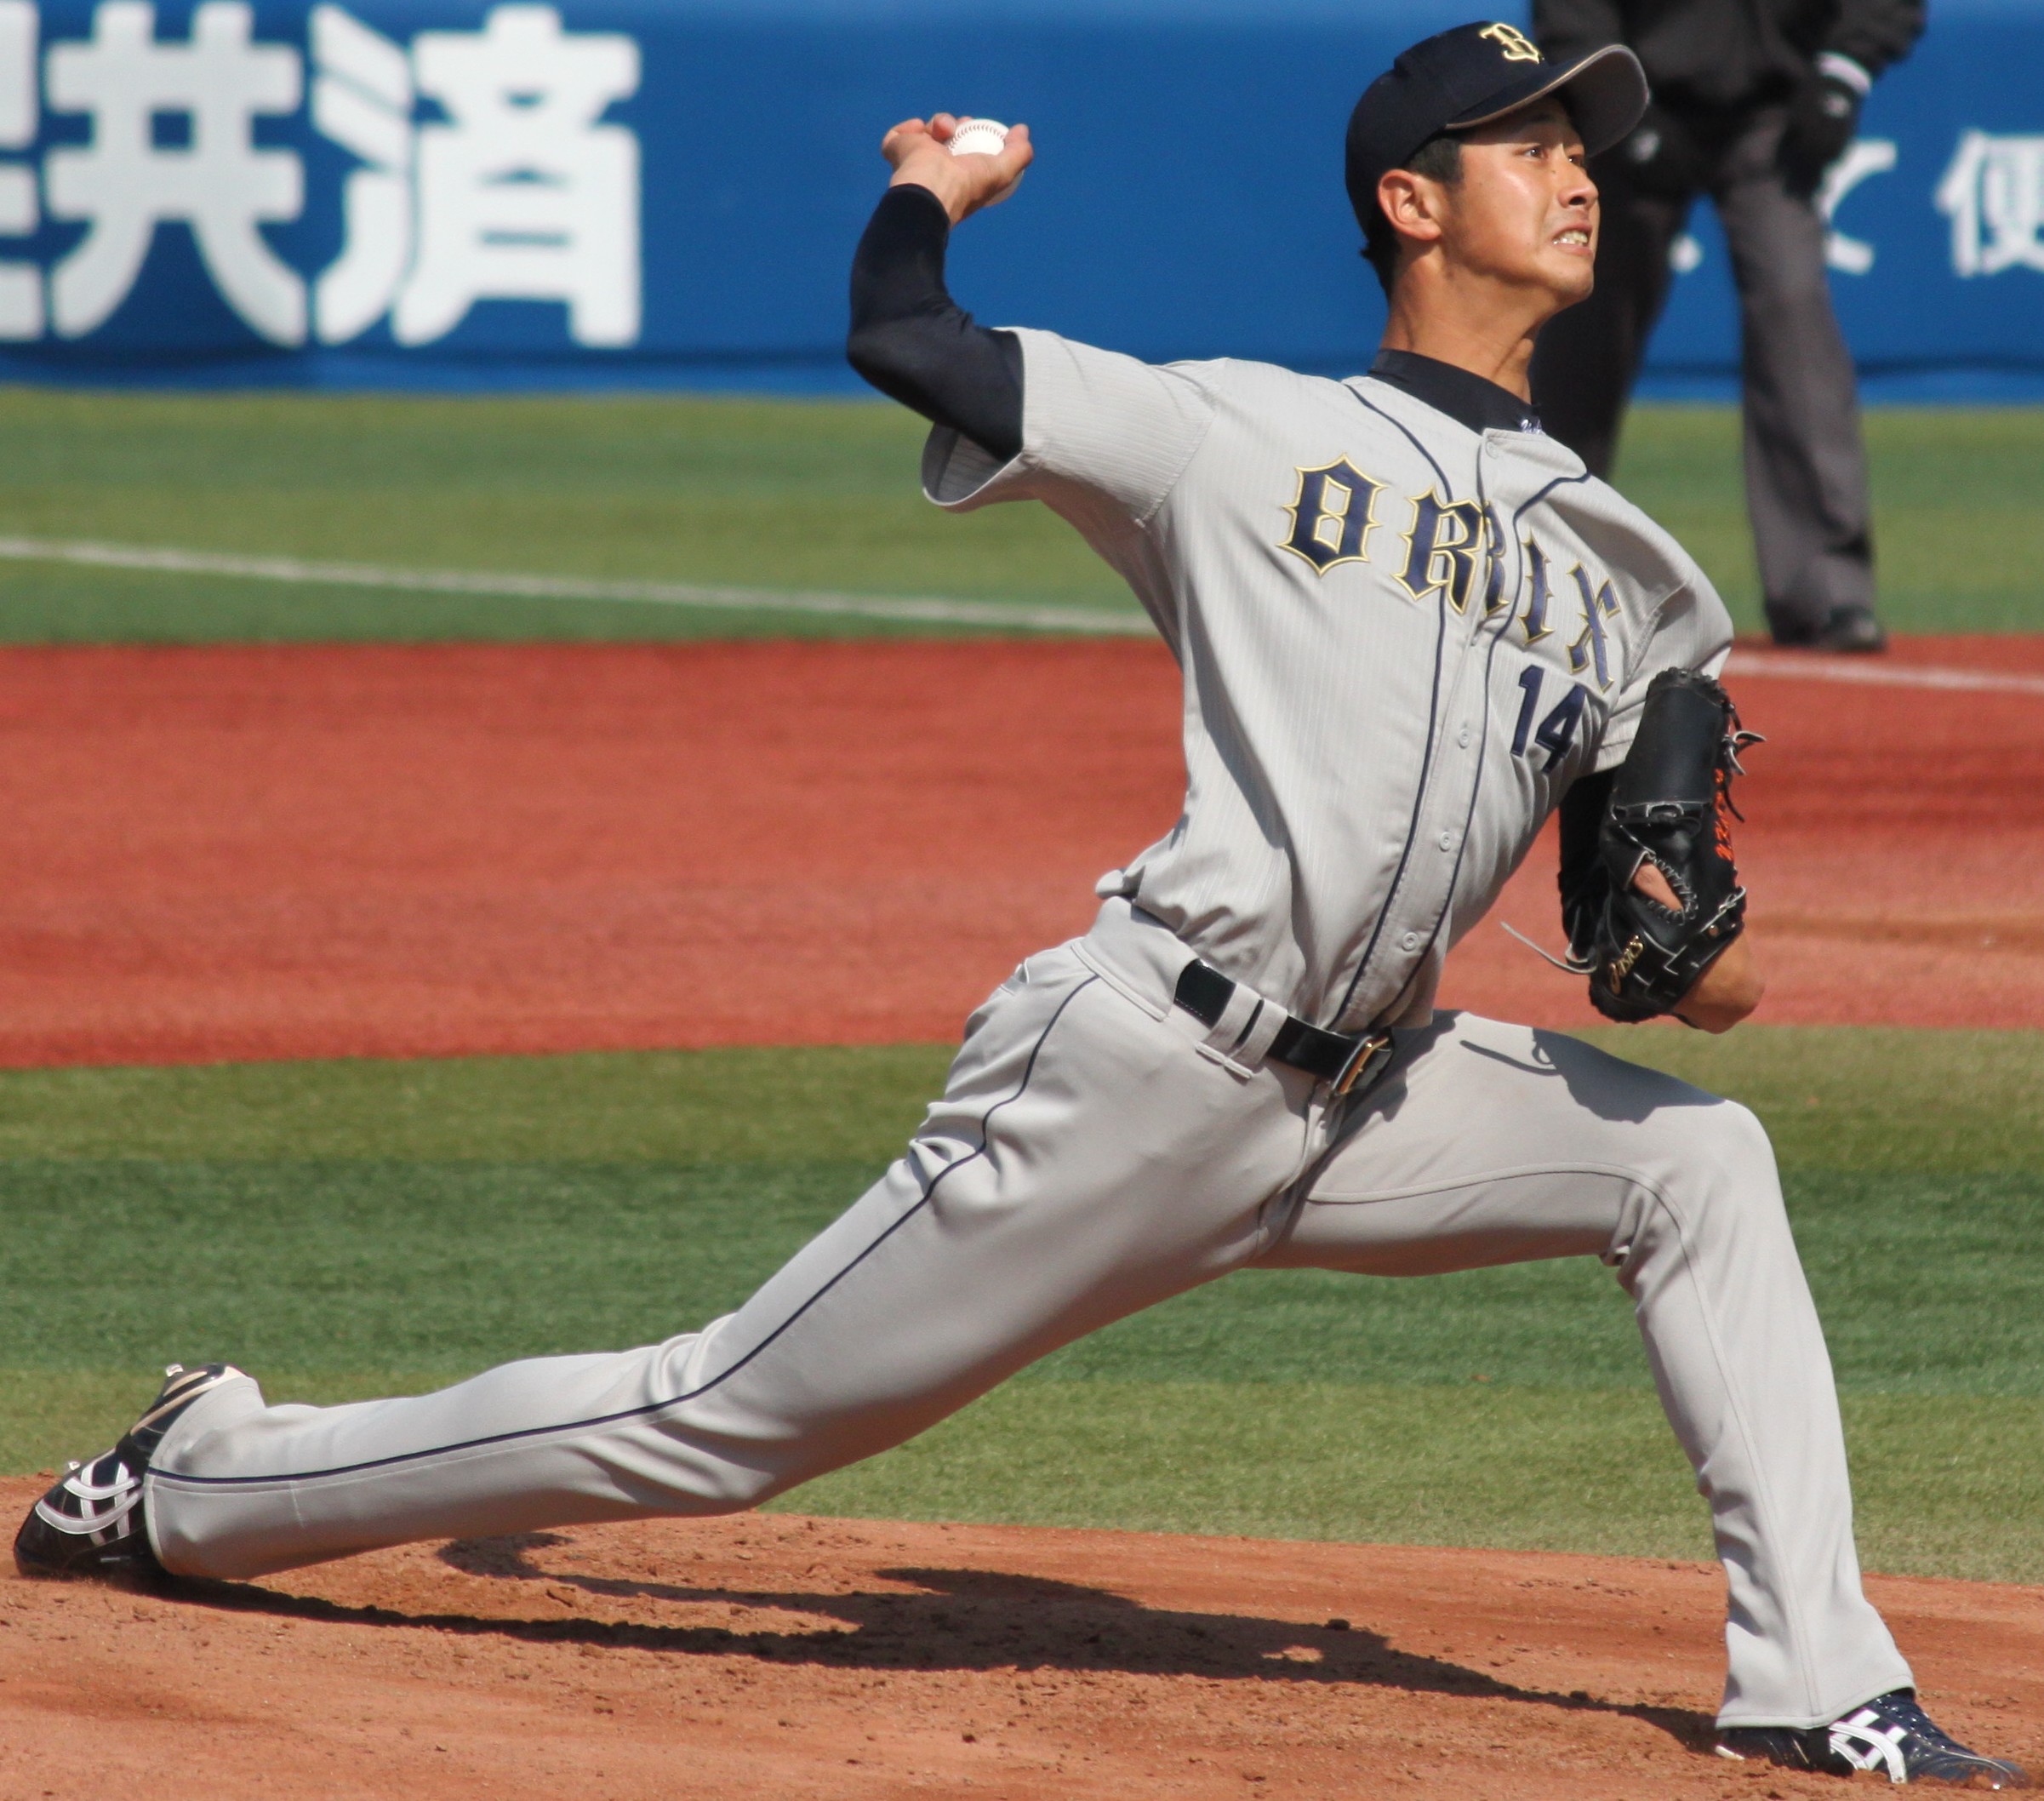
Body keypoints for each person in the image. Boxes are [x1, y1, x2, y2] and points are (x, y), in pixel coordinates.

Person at [18, 22, 2021, 1787]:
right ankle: (204, 1474)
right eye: (1530, 142)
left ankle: (1812, 1681)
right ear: (1413, 201)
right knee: (723, 1420)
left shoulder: (1642, 580)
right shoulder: (1235, 428)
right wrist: (925, 192)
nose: (1579, 170)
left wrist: (1689, 942)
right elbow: (914, 343)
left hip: (1375, 1104)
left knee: (1703, 1162)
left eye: (1584, 139)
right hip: (1144, 1067)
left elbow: (1687, 962)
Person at [1528, 0, 1923, 654]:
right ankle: (1536, 562)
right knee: (1582, 329)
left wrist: (1844, 70)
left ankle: (1826, 593)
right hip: (1637, 103)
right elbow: (1570, 9)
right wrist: (1618, 102)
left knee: (1794, 315)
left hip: (1778, 111)